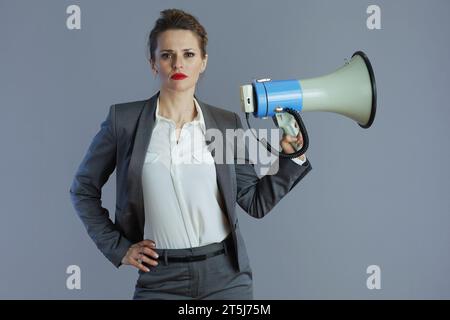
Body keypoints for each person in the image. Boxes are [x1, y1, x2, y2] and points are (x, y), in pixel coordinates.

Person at [69, 8, 312, 300]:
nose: (177, 64)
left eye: (188, 54)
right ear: (153, 63)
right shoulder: (124, 122)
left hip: (226, 277)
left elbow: (254, 201)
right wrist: (119, 248)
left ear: (203, 62)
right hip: (161, 278)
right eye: (166, 55)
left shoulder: (225, 124)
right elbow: (83, 189)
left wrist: (293, 156)